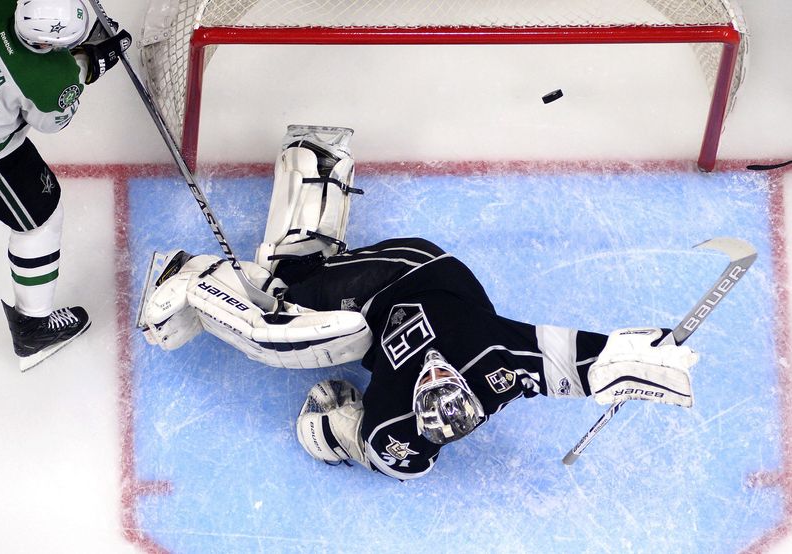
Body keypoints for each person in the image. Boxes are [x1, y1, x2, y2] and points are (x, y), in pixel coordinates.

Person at [138, 125, 700, 480]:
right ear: (469, 387)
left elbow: (366, 448)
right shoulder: (495, 362)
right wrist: (642, 356)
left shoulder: (397, 431)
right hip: (413, 275)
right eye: (447, 380)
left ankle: (214, 256)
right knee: (292, 310)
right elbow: (578, 362)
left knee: (301, 321)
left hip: (391, 301)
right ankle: (212, 261)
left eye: (427, 387)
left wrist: (329, 426)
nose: (435, 370)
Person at [0, 0, 131, 370]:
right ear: (47, 46)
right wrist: (89, 65)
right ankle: (33, 330)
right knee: (40, 221)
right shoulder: (50, 80)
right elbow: (52, 119)